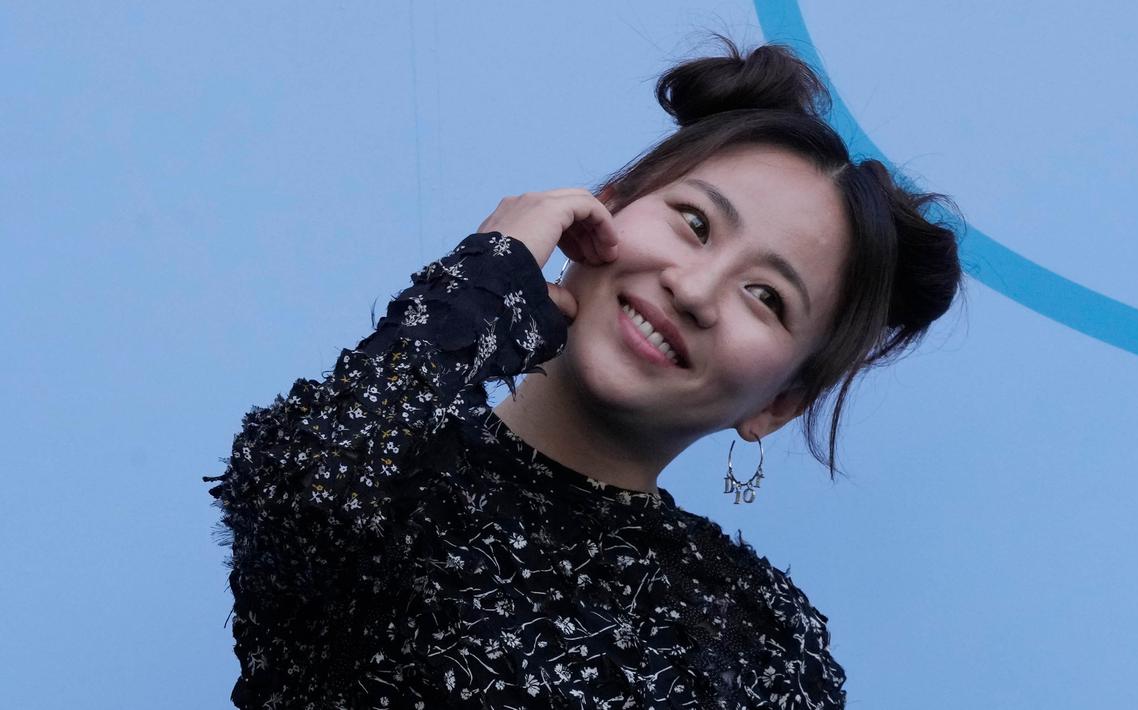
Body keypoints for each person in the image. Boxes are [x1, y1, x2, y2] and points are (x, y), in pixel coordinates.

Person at [206, 36, 963, 709]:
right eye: (694, 223)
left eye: (764, 297)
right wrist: (478, 287)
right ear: (600, 210)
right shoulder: (381, 470)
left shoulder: (763, 641)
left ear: (781, 402)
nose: (694, 291)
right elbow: (303, 485)